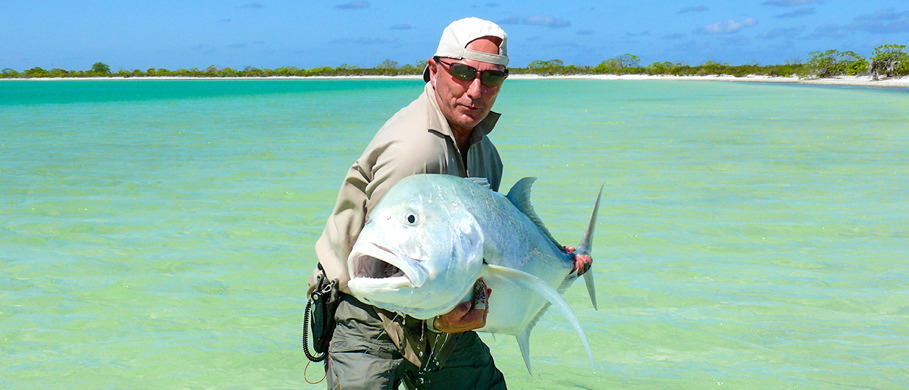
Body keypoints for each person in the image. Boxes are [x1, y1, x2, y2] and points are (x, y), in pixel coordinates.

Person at [309, 17, 590, 389]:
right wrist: (444, 320)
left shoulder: (486, 154)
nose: (476, 91)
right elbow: (389, 264)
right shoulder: (413, 150)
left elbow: (482, 254)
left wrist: (556, 261)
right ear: (433, 70)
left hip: (441, 312)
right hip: (369, 320)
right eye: (462, 72)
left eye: (491, 78)